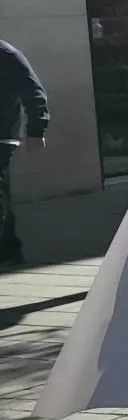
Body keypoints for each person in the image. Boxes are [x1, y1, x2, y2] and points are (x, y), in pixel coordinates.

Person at [0, 39, 50, 267]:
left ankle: (7, 248)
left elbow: (33, 91)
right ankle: (9, 248)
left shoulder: (6, 55)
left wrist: (36, 130)